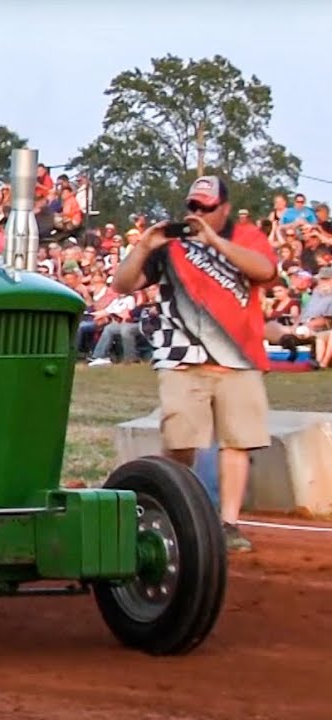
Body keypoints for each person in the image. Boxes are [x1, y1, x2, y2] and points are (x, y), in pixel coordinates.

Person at [111, 175, 279, 553]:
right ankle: (174, 509)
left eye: (206, 207)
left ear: (224, 208)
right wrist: (144, 245)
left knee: (238, 442)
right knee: (181, 441)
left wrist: (214, 241)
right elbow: (122, 284)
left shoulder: (247, 236)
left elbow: (264, 271)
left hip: (238, 356)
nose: (197, 213)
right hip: (181, 356)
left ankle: (229, 523)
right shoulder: (170, 246)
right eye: (193, 206)